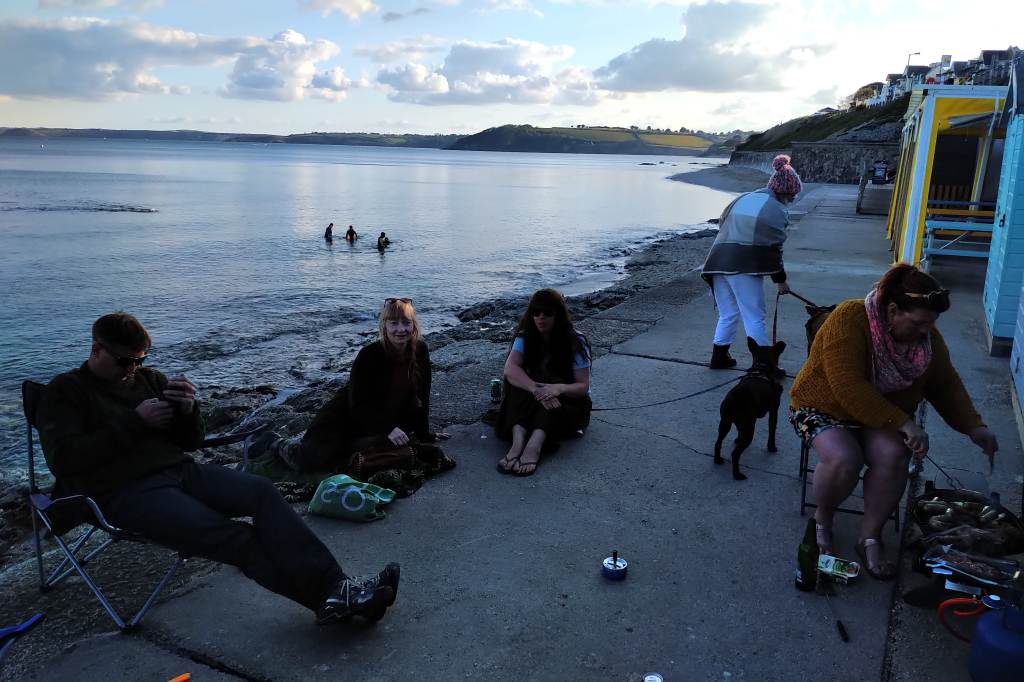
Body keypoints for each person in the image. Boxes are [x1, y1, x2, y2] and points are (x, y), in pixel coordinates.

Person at [35, 312, 400, 626]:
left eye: (140, 360)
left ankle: (340, 588)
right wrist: (135, 422)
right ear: (96, 349)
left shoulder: (149, 380)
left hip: (179, 471)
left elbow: (192, 441)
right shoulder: (65, 391)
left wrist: (188, 409)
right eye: (124, 362)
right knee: (232, 537)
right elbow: (65, 460)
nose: (133, 370)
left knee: (261, 492)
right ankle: (329, 598)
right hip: (123, 491)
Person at [789, 264, 998, 579]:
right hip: (823, 404)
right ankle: (823, 519)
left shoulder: (927, 338)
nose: (926, 331)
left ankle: (869, 536)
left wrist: (974, 426)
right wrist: (905, 423)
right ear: (891, 310)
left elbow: (945, 384)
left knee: (894, 456)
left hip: (883, 413)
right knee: (845, 459)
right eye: (918, 323)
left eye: (931, 323)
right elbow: (847, 388)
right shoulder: (849, 318)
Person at [701, 154, 802, 369]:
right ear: (785, 190)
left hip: (717, 261)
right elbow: (773, 249)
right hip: (743, 267)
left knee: (728, 313)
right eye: (793, 194)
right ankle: (763, 365)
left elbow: (723, 222)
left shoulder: (743, 198)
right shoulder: (777, 210)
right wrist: (780, 281)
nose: (793, 199)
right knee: (755, 316)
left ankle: (718, 358)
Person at [495, 288, 592, 476]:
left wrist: (558, 388)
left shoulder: (575, 342)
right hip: (535, 398)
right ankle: (518, 441)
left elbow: (582, 387)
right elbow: (510, 369)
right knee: (519, 381)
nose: (541, 317)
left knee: (551, 380)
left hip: (567, 404)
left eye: (548, 313)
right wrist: (535, 389)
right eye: (536, 313)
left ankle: (535, 444)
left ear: (558, 315)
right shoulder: (526, 337)